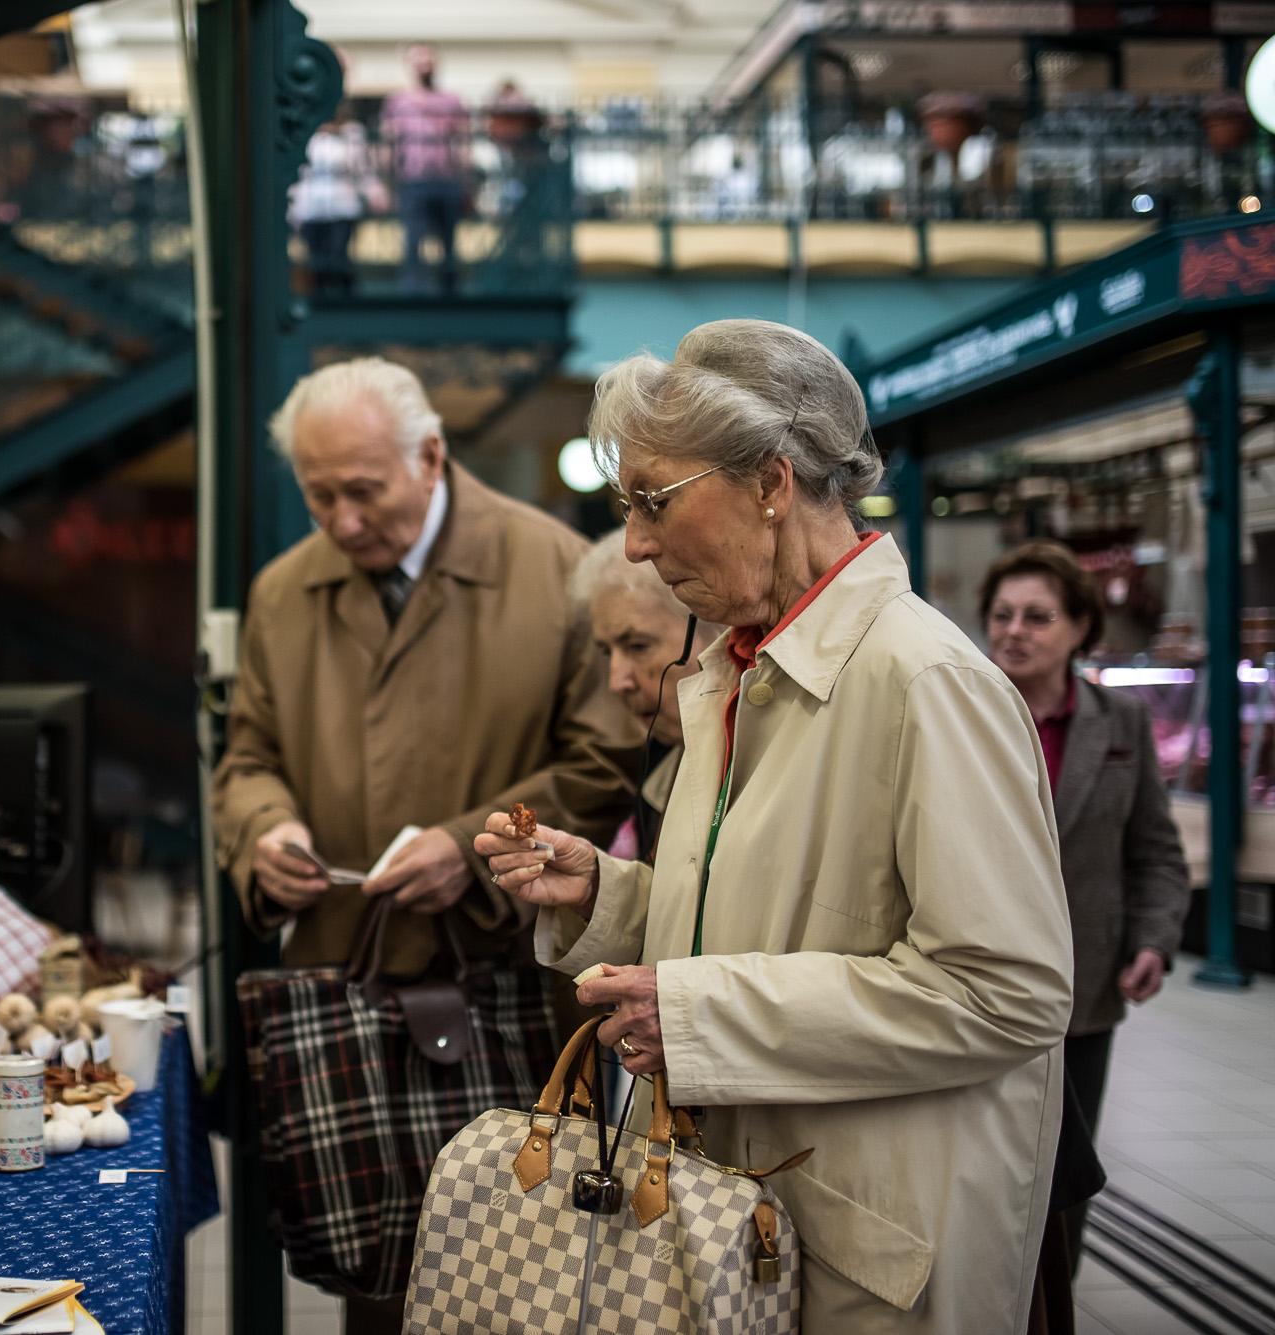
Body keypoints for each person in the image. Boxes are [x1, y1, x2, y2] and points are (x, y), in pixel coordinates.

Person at [477, 319, 1074, 1334]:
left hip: (868, 1246)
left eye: (652, 499)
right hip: (747, 1221)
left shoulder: (925, 680)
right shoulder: (739, 668)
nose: (635, 543)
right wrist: (609, 896)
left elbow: (1006, 992)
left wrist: (697, 1015)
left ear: (769, 481)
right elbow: (776, 920)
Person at [212, 357, 642, 1334]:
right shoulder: (283, 593)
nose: (342, 520)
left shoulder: (555, 570)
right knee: (380, 1278)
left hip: (507, 987)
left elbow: (605, 759)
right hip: (348, 989)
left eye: (364, 490)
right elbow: (247, 758)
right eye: (318, 495)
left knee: (523, 1279)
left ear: (432, 457)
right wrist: (263, 829)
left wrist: (467, 848)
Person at [980, 540, 1190, 1271]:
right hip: (971, 982)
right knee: (977, 1167)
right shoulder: (963, 712)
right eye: (1002, 614)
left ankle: (1055, 1297)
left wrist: (1155, 940)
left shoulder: (1120, 723)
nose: (1014, 630)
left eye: (1037, 616)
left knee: (1064, 1174)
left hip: (1083, 987)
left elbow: (1154, 850)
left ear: (1080, 628)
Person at [567, 529, 721, 860]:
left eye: (638, 646)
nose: (617, 682)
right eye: (607, 652)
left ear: (717, 631)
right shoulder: (657, 756)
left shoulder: (758, 756)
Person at [380, 44, 469, 295]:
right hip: (413, 180)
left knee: (448, 246)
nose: (424, 65)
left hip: (447, 180)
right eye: (419, 60)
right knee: (413, 244)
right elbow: (389, 143)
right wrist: (385, 184)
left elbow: (463, 142)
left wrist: (466, 180)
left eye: (428, 59)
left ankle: (450, 298)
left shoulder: (452, 100)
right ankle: (412, 298)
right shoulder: (397, 102)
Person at [291, 107, 375, 298]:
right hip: (311, 207)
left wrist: (373, 192)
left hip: (341, 203)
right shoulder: (307, 135)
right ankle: (320, 298)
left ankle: (340, 297)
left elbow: (362, 169)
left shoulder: (352, 134)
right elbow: (299, 173)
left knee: (337, 253)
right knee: (316, 256)